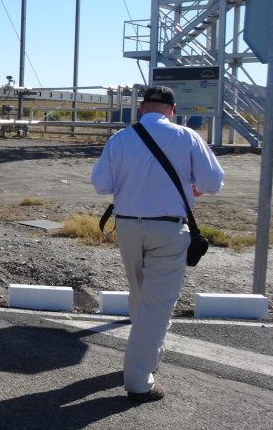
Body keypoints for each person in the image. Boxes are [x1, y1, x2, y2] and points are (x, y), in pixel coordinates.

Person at [91, 85, 224, 403]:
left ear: (142, 108)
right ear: (172, 110)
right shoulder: (187, 137)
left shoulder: (120, 139)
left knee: (140, 294)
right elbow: (213, 182)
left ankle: (148, 354)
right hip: (168, 228)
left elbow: (101, 185)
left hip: (127, 226)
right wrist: (194, 188)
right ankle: (139, 380)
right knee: (158, 305)